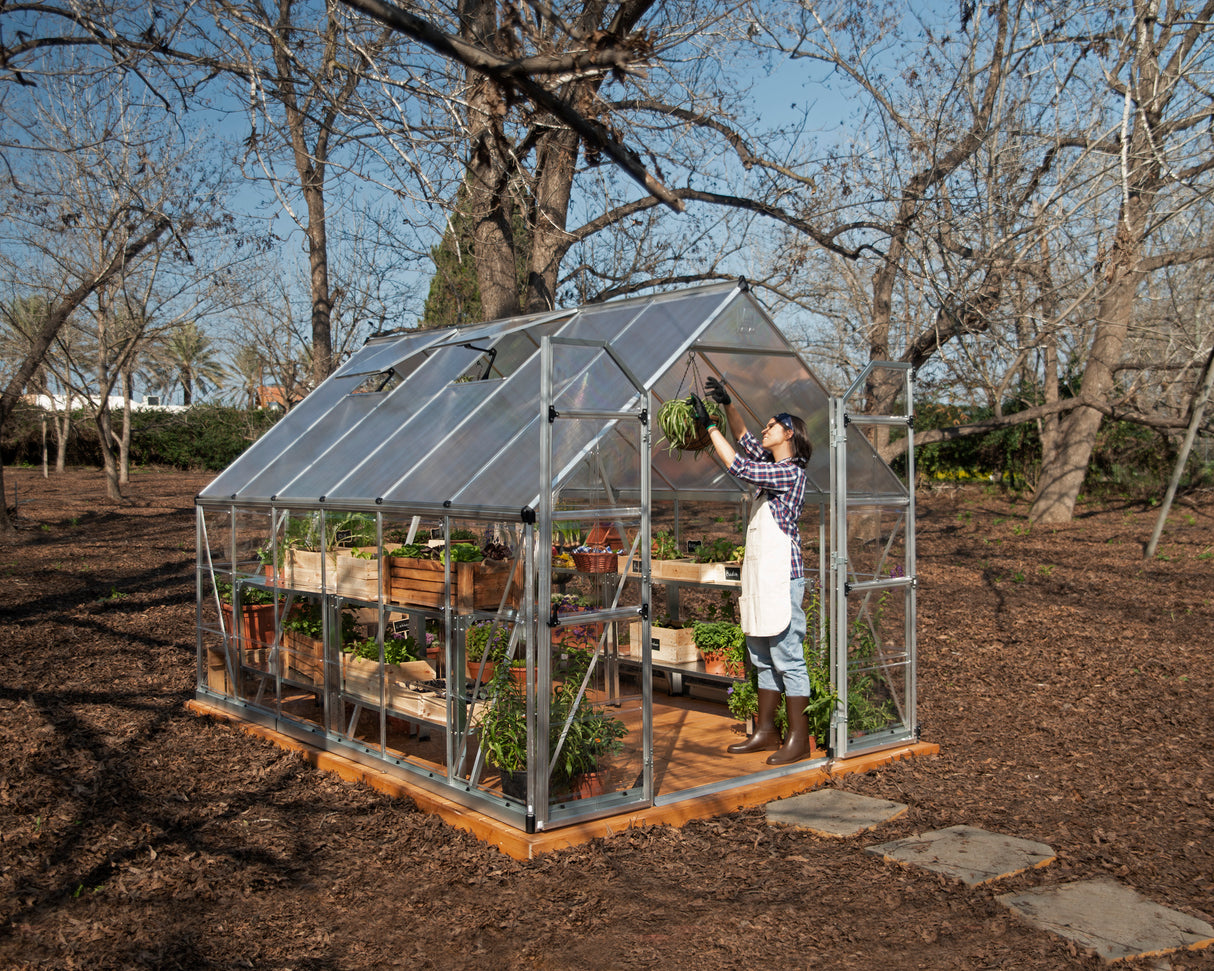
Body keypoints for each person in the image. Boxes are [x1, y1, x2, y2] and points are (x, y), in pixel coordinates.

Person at [688, 377, 816, 764]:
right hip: (763, 580)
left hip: (783, 581)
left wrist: (709, 426)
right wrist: (727, 406)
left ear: (788, 432)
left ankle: (798, 739)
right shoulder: (772, 468)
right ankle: (765, 730)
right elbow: (744, 441)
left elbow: (738, 463)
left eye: (771, 426)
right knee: (760, 655)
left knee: (788, 657)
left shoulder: (789, 473)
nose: (765, 429)